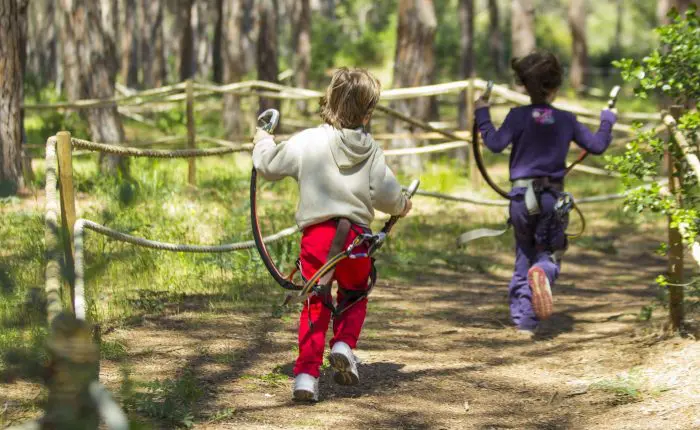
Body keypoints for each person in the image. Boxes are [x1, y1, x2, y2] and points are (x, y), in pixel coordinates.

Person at [252, 68, 412, 401]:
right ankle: (343, 345)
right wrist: (403, 203)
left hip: (318, 240)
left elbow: (267, 166)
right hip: (357, 241)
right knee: (354, 294)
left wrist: (263, 138)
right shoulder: (371, 150)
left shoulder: (308, 140)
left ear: (329, 99)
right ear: (368, 112)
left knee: (316, 302)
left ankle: (306, 378)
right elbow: (389, 196)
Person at [474, 51, 617, 337]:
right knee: (547, 253)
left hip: (520, 199)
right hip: (552, 198)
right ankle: (544, 272)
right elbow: (598, 145)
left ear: (525, 86)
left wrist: (482, 113)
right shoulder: (566, 119)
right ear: (556, 86)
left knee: (523, 253)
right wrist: (607, 119)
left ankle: (525, 323)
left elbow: (494, 144)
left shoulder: (517, 116)